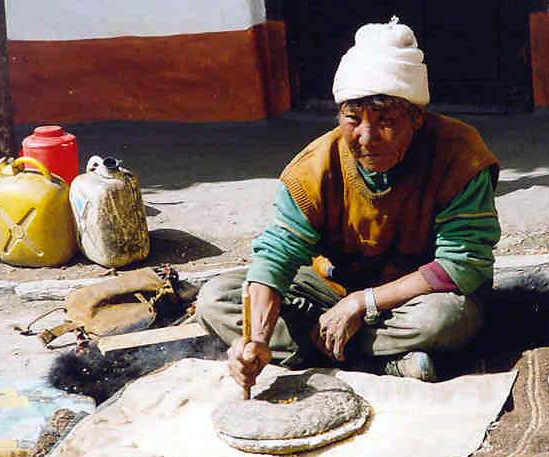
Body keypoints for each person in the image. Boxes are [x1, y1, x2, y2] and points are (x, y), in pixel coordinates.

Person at [195, 18, 500, 390]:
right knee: (216, 298)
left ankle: (318, 349)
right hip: (333, 287)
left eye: (386, 121)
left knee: (447, 320)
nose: (367, 137)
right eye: (352, 119)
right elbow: (277, 253)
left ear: (417, 117)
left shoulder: (460, 155)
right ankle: (384, 363)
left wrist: (362, 304)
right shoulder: (314, 167)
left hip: (416, 298)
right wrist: (256, 338)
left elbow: (461, 264)